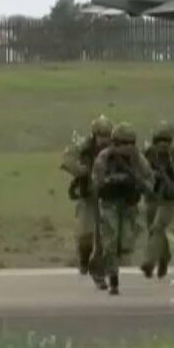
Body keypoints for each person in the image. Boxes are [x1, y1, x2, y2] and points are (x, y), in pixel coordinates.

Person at [90, 122, 154, 295]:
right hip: (110, 204)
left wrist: (139, 183)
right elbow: (97, 182)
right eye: (122, 144)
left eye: (130, 143)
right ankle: (113, 278)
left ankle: (104, 265)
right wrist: (113, 180)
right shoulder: (104, 157)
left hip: (129, 205)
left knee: (125, 244)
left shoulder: (138, 159)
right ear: (114, 143)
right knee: (110, 242)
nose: (126, 148)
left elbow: (149, 180)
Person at [60, 115, 113, 276]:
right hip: (88, 195)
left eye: (106, 136)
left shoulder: (115, 148)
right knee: (85, 234)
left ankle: (105, 264)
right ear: (94, 134)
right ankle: (84, 260)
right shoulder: (84, 146)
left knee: (109, 234)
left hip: (108, 195)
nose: (103, 140)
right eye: (100, 135)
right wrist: (81, 170)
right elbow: (67, 159)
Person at [142, 122, 174, 279]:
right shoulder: (147, 155)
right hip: (152, 198)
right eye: (159, 140)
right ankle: (164, 257)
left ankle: (149, 263)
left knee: (158, 227)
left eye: (166, 141)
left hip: (168, 201)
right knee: (154, 231)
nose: (163, 144)